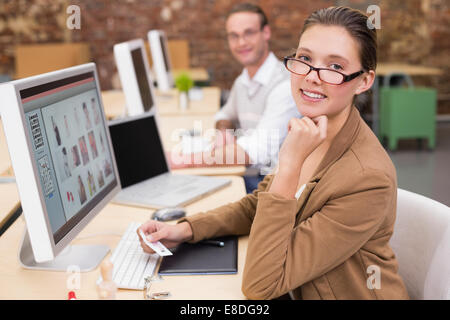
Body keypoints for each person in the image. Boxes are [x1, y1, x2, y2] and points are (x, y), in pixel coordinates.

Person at [139, 6, 409, 300]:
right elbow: (257, 206)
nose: (311, 76)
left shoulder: (367, 177)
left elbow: (260, 286)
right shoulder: (311, 131)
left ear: (364, 81)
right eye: (305, 59)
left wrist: (291, 162)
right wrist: (186, 230)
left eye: (334, 67)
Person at [169, 3, 300, 193]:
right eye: (234, 36)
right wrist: (224, 131)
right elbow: (224, 114)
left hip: (270, 185)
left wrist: (182, 160)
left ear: (266, 33)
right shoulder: (243, 81)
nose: (241, 43)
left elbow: (257, 150)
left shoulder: (283, 85)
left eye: (249, 33)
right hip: (246, 174)